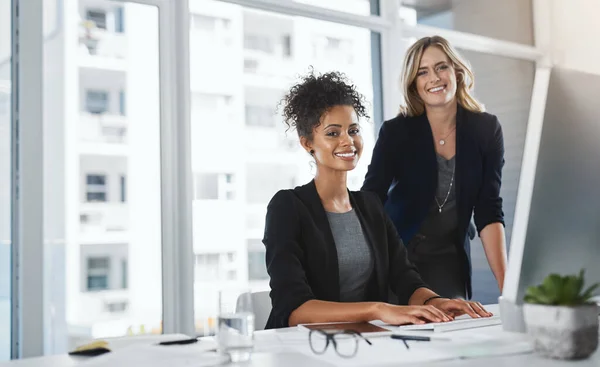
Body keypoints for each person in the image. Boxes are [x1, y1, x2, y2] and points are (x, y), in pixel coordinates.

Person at [263, 70, 492, 330]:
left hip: (365, 343)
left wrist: (435, 301)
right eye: (332, 133)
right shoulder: (287, 207)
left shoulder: (370, 205)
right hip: (302, 348)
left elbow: (405, 279)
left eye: (353, 130)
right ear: (307, 143)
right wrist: (378, 309)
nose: (348, 141)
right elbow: (292, 308)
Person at [361, 35, 507, 301]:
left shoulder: (486, 129)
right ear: (414, 84)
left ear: (457, 71)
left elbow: (489, 210)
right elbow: (371, 198)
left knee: (452, 327)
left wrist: (508, 289)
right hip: (400, 254)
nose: (435, 78)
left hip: (449, 257)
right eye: (422, 72)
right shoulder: (396, 131)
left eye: (441, 67)